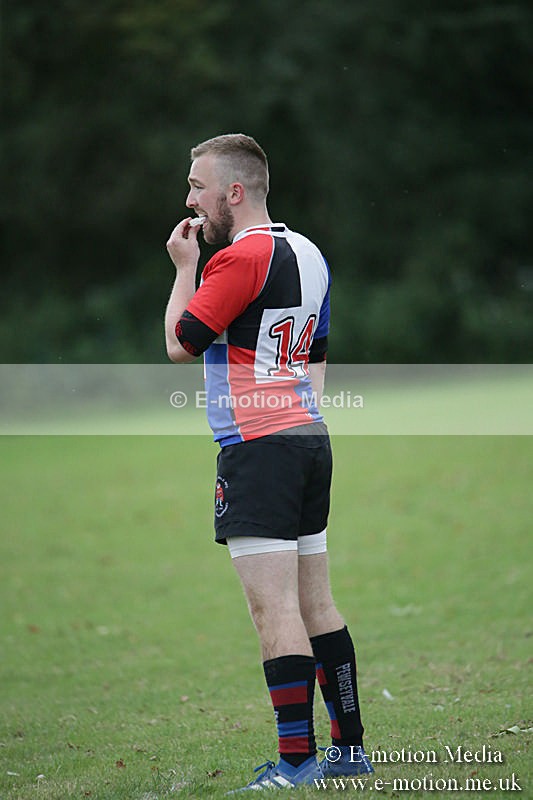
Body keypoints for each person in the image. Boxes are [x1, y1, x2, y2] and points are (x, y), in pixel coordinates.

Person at [164, 133, 373, 791]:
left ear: (233, 191)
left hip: (258, 448)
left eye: (197, 186)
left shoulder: (237, 259)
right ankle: (348, 750)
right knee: (317, 604)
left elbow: (181, 343)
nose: (189, 199)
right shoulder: (307, 252)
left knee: (273, 611)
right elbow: (317, 356)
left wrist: (181, 268)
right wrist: (297, 418)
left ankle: (294, 764)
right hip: (308, 439)